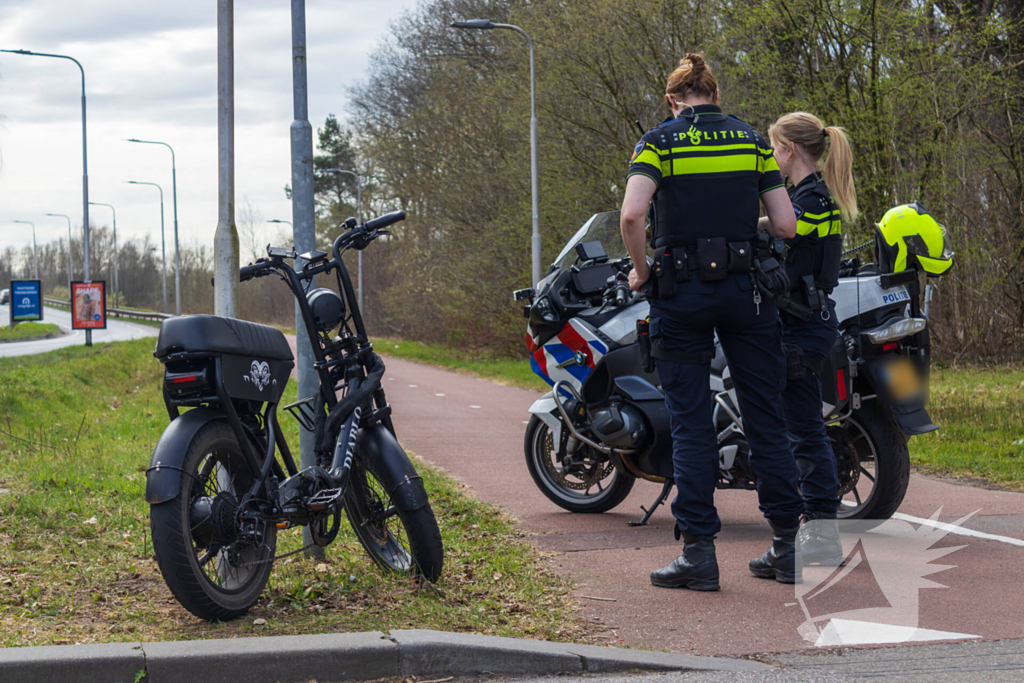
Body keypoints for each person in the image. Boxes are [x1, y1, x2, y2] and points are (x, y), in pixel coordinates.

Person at [621, 53, 804, 590]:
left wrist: (641, 271)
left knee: (691, 422)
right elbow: (788, 225)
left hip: (681, 295)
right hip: (748, 294)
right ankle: (788, 548)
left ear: (675, 101)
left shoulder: (658, 141)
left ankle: (699, 554)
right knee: (765, 416)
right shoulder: (750, 141)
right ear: (716, 95)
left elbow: (633, 215)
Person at [762, 112, 859, 566]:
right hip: (799, 325)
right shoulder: (807, 197)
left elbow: (784, 229)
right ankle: (814, 532)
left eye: (773, 148)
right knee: (799, 429)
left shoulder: (814, 201)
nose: (771, 156)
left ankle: (819, 535)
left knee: (804, 432)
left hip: (805, 328)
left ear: (790, 150)